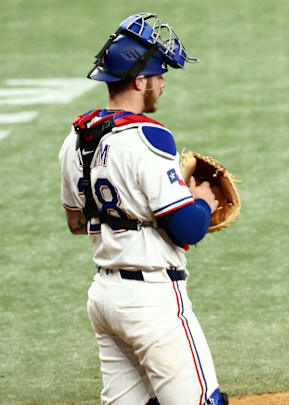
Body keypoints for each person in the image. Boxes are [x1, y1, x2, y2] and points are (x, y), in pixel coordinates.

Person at [59, 13, 228, 405]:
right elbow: (187, 228)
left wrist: (128, 211)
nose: (162, 84)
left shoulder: (75, 138)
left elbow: (75, 220)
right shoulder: (148, 136)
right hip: (151, 303)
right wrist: (200, 201)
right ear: (140, 82)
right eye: (158, 76)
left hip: (104, 299)